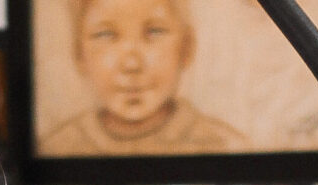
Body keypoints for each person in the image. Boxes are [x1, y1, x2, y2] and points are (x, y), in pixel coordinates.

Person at [39, 0, 243, 159]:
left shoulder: (222, 144)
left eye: (154, 31)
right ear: (79, 53)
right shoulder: (57, 146)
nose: (131, 64)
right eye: (106, 34)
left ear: (187, 46)